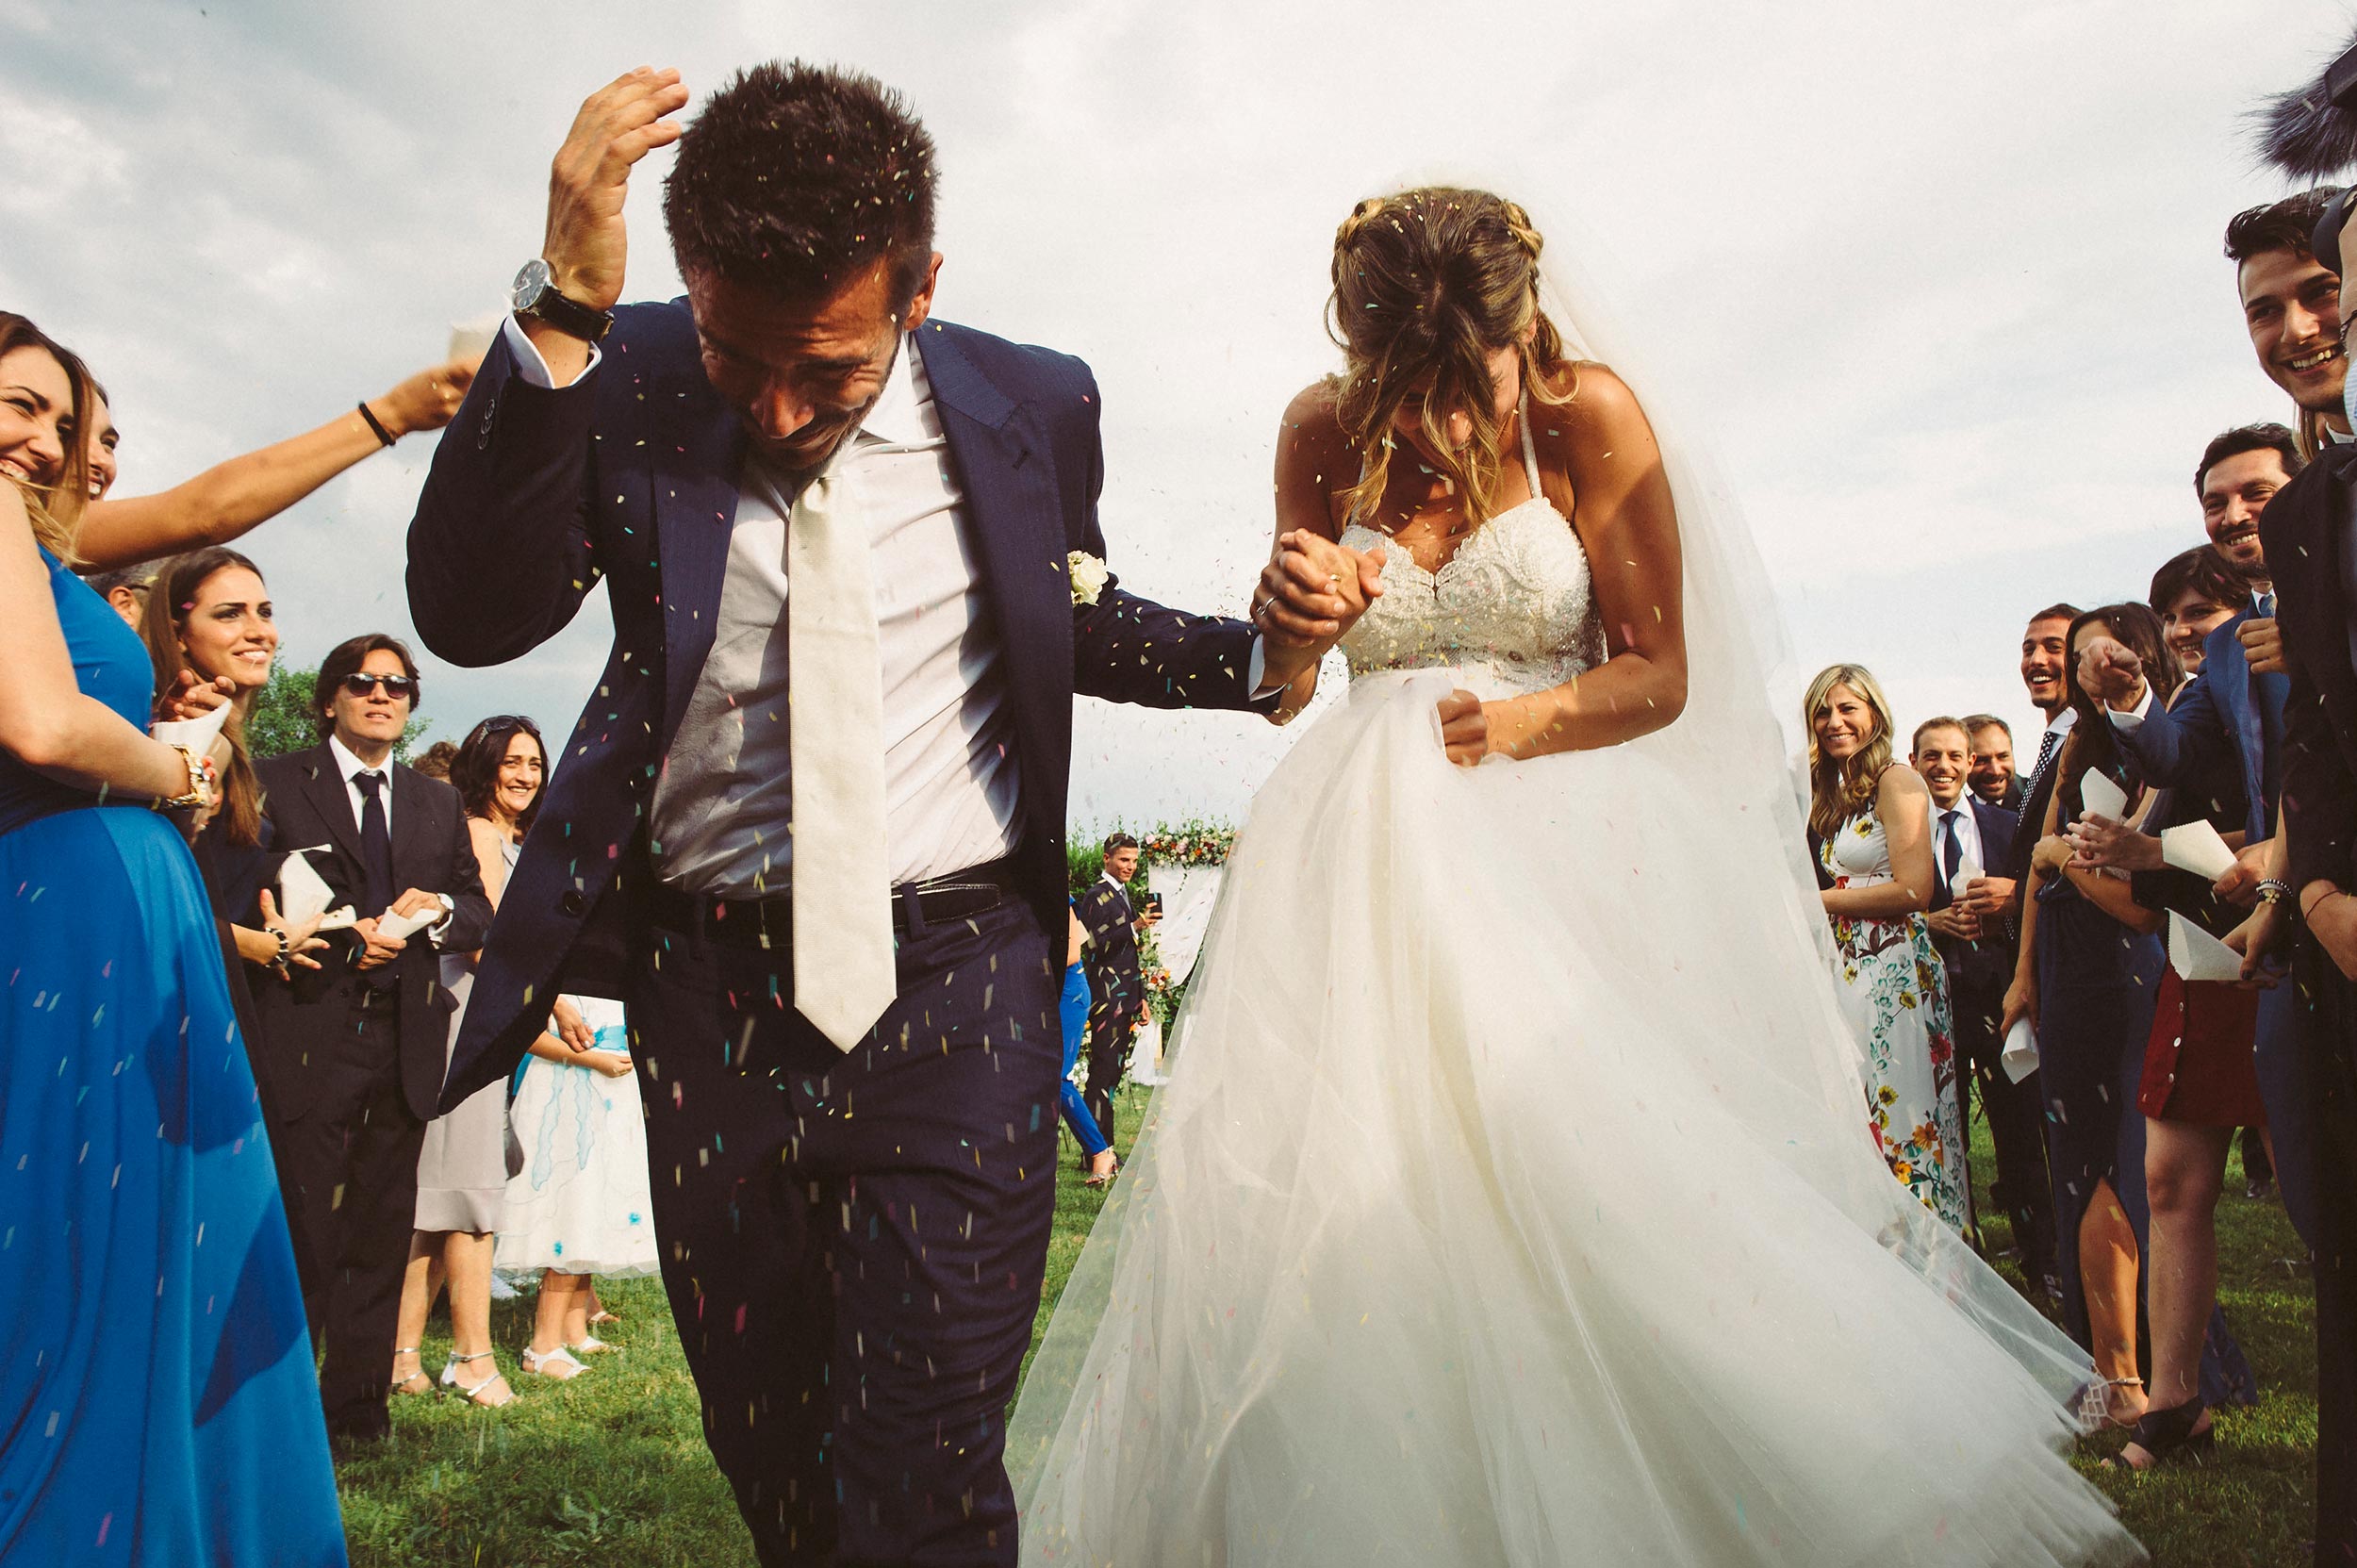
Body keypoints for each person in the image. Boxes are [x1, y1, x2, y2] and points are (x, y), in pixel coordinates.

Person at [1009, 189, 2141, 1566]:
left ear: (1523, 328)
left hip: (1550, 843)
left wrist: (1520, 722)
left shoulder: (1589, 414)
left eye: (1461, 377)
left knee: (1589, 1177)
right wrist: (1291, 626)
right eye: (1400, 379)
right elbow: (1287, 685)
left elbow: (1662, 671)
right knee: (1335, 1188)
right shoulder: (1320, 428)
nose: (1432, 411)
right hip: (1346, 863)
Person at [404, 63, 1342, 1565]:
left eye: (826, 371)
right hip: (711, 994)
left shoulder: (1037, 400)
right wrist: (564, 309)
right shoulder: (628, 371)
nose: (779, 413)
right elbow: (471, 614)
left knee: (923, 1481)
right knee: (778, 1470)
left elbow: (1067, 611)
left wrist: (1259, 655)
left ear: (922, 289)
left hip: (959, 985)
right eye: (738, 357)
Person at [0, 313, 347, 1562]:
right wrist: (170, 766)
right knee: (90, 1264)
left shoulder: (41, 541)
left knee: (109, 1251)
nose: (49, 445)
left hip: (94, 915)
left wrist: (396, 413)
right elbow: (45, 728)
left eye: (66, 421)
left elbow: (206, 503)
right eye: (21, 406)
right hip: (66, 923)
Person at [249, 635, 492, 1444]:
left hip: (405, 1037)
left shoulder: (436, 802)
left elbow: (477, 908)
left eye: (398, 684)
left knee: (381, 1228)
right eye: (362, 682)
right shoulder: (277, 780)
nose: (381, 695)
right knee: (304, 1226)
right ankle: (279, 1414)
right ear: (330, 699)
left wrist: (439, 912)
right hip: (308, 1028)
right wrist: (333, 932)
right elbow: (243, 893)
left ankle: (357, 1411)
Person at [2004, 605, 2179, 1431]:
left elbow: (2144, 904)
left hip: (2124, 966)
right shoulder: (2075, 742)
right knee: (2077, 1161)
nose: (2081, 666)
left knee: (2118, 1164)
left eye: (2090, 651)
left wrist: (2063, 864)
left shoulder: (2163, 746)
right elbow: (2040, 867)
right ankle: (2110, 1358)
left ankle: (2128, 1378)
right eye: (2075, 655)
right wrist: (2023, 972)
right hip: (2065, 965)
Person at [389, 716, 549, 1408]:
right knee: (471, 1199)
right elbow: (485, 944)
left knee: (439, 1200)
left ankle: (400, 1357)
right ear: (485, 769)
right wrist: (551, 1003)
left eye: (534, 764)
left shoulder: (506, 838)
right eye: (512, 762)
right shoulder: (482, 835)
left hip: (478, 1022)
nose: (525, 775)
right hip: (467, 1026)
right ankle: (472, 1359)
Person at [65, 352, 478, 572]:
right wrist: (392, 414)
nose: (98, 459)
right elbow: (201, 513)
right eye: (68, 432)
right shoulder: (41, 532)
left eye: (109, 443)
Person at [1805, 666, 1964, 1227]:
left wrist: (1812, 899)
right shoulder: (1839, 795)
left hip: (1895, 968)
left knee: (1902, 1113)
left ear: (1874, 714)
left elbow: (1916, 889)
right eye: (1822, 712)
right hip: (1852, 964)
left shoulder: (1898, 780)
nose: (1834, 721)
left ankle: (1921, 1244)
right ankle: (1876, 1237)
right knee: (1861, 1106)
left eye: (1847, 708)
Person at [1912, 714, 2055, 1281]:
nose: (1943, 767)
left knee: (2018, 1134)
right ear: (1914, 763)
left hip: (1999, 1000)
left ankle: (2042, 1259)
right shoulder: (1901, 831)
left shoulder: (2007, 827)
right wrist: (1930, 922)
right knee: (1942, 1135)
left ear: (1970, 763)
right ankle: (1954, 1255)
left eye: (1955, 756)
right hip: (1930, 1001)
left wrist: (2007, 909)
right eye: (1931, 756)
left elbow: (2037, 900)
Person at [497, 989, 657, 1375]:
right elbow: (525, 1034)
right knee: (571, 1211)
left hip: (608, 1091)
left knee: (594, 1205)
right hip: (568, 1094)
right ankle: (542, 1345)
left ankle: (572, 1329)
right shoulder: (553, 986)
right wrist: (591, 1059)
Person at [1076, 832, 1160, 1148]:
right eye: (1124, 859)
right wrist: (1135, 926)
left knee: (1110, 1076)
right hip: (1106, 1001)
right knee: (1101, 1077)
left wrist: (1141, 999)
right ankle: (1099, 1150)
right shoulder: (1095, 895)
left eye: (1134, 861)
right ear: (1106, 858)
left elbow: (1127, 956)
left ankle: (1101, 1149)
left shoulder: (1121, 894)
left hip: (1124, 1001)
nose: (1130, 866)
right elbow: (1093, 944)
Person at [1056, 903, 1119, 1185]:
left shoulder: (1061, 898)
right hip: (1044, 993)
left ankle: (1100, 1151)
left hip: (1069, 994)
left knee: (1057, 1076)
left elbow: (1071, 954)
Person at [1964, 712, 2022, 810]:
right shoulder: (1958, 812)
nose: (1995, 771)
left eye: (2003, 757)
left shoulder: (2040, 799)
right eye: (1981, 761)